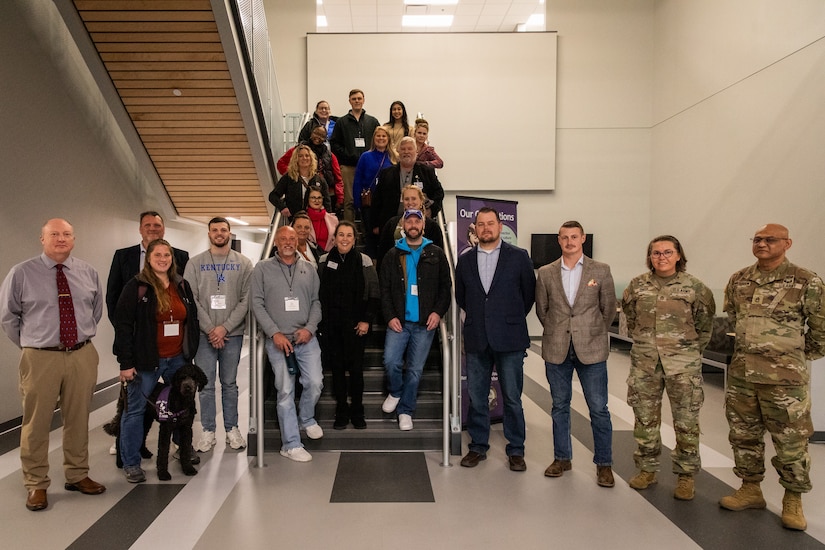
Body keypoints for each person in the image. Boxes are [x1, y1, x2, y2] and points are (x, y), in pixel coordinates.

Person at [718, 223, 825, 531]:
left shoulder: (806, 281)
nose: (762, 244)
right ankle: (750, 489)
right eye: (758, 239)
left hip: (785, 380)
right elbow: (734, 319)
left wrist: (793, 358)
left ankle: (793, 499)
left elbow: (820, 330)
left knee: (791, 441)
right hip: (743, 376)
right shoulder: (739, 279)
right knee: (744, 436)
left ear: (787, 243)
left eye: (770, 239)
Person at [0, 218, 106, 511]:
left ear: (73, 239)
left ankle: (77, 474)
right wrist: (33, 345)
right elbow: (9, 317)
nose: (61, 239)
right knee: (36, 422)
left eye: (67, 234)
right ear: (42, 239)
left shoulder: (87, 272)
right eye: (54, 234)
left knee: (78, 417)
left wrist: (77, 341)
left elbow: (95, 312)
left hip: (82, 354)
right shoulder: (21, 273)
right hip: (40, 356)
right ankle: (36, 483)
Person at [621, 235, 715, 500]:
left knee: (686, 423)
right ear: (649, 257)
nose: (661, 257)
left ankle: (686, 476)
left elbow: (704, 326)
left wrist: (686, 352)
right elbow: (631, 317)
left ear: (678, 255)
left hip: (682, 366)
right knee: (645, 420)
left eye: (666, 252)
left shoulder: (694, 287)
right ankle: (647, 469)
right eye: (655, 253)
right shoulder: (637, 285)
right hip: (645, 364)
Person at [535, 220, 617, 487]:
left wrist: (591, 332)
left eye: (574, 237)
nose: (569, 241)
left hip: (591, 349)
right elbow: (542, 309)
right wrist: (559, 330)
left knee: (598, 408)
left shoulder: (600, 270)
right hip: (557, 347)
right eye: (564, 237)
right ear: (559, 241)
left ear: (582, 239)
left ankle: (604, 464)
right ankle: (562, 458)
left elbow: (609, 309)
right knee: (560, 406)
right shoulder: (546, 272)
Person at [455, 208, 536, 472]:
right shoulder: (465, 261)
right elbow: (462, 297)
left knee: (512, 397)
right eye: (481, 224)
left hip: (510, 338)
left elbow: (528, 296)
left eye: (491, 223)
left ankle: (516, 449)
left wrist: (506, 319)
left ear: (500, 226)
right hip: (477, 337)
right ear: (475, 229)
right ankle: (478, 445)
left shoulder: (519, 257)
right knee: (477, 397)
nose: (486, 228)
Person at [113, 239, 199, 483]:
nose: (163, 259)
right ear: (148, 258)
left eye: (167, 255)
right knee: (136, 410)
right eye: (158, 255)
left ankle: (183, 447)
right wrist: (125, 362)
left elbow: (190, 319)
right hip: (146, 361)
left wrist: (190, 349)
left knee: (184, 407)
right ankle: (131, 462)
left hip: (177, 359)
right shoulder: (137, 286)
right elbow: (124, 325)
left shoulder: (181, 285)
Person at [251, 226, 324, 462]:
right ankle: (290, 444)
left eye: (292, 238)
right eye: (283, 238)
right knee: (284, 391)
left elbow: (316, 303)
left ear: (298, 240)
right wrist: (274, 334)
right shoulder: (262, 268)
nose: (288, 242)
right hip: (278, 341)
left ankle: (306, 418)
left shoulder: (309, 269)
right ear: (276, 242)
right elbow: (257, 304)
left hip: (305, 338)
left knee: (315, 382)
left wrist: (309, 329)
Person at [184, 218, 253, 454]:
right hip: (204, 336)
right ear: (209, 233)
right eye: (215, 230)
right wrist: (211, 329)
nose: (219, 233)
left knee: (230, 384)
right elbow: (190, 300)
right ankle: (208, 431)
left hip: (232, 335)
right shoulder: (195, 264)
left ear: (230, 233)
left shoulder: (244, 263)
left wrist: (224, 328)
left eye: (223, 230)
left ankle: (232, 429)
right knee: (205, 385)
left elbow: (247, 299)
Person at [379, 209, 451, 431]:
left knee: (415, 370)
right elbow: (385, 289)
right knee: (391, 362)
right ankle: (396, 392)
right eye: (408, 221)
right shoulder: (392, 254)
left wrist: (438, 312)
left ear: (423, 226)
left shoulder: (436, 253)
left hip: (424, 324)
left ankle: (406, 411)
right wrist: (390, 316)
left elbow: (445, 288)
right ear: (403, 226)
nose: (412, 225)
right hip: (398, 322)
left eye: (416, 221)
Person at [318, 221, 380, 429]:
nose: (344, 239)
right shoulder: (324, 261)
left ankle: (357, 411)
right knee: (336, 371)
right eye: (341, 235)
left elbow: (374, 293)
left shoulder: (364, 261)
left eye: (349, 235)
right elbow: (318, 295)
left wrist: (366, 320)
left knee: (355, 371)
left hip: (357, 326)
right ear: (334, 238)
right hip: (332, 327)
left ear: (355, 239)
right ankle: (341, 412)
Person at [106, 211, 189, 325]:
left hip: (170, 322)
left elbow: (186, 294)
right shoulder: (122, 256)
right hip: (135, 326)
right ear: (140, 229)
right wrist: (119, 325)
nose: (152, 228)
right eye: (147, 225)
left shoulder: (181, 257)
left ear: (164, 229)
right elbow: (113, 294)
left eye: (157, 225)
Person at [371, 136, 445, 236]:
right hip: (391, 225)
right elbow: (377, 200)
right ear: (398, 152)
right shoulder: (386, 173)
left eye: (410, 149)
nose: (406, 152)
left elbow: (439, 193)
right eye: (403, 149)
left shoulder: (427, 171)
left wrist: (432, 210)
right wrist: (375, 224)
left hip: (420, 225)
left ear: (416, 152)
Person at [329, 89, 380, 222]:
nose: (357, 101)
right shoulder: (342, 122)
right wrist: (347, 155)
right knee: (349, 201)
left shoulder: (372, 122)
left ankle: (366, 231)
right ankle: (349, 233)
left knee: (368, 199)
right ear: (349, 101)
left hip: (368, 167)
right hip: (348, 167)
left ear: (363, 100)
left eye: (359, 98)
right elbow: (334, 143)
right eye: (354, 99)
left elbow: (380, 140)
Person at [277, 126, 344, 212]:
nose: (318, 137)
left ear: (325, 139)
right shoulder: (298, 150)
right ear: (311, 133)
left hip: (325, 195)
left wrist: (340, 197)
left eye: (321, 135)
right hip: (300, 195)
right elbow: (281, 163)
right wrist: (294, 175)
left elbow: (338, 178)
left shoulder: (330, 156)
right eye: (316, 133)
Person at [353, 126, 396, 256]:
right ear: (373, 138)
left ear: (388, 139)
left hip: (388, 204)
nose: (381, 138)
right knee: (371, 235)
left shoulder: (394, 158)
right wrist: (357, 204)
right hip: (370, 204)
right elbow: (358, 180)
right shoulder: (365, 156)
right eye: (378, 136)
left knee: (388, 235)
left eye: (384, 136)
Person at [376, 185, 443, 269]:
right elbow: (383, 253)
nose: (410, 202)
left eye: (414, 198)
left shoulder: (433, 226)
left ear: (421, 200)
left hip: (425, 272)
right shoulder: (391, 224)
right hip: (396, 270)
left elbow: (440, 256)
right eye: (407, 199)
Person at [268, 145, 332, 220]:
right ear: (296, 159)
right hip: (295, 220)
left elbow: (327, 202)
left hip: (316, 221)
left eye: (307, 155)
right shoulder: (288, 178)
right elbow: (273, 196)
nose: (304, 158)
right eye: (300, 156)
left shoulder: (319, 180)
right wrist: (283, 207)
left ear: (311, 158)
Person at [304, 188, 338, 253]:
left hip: (329, 256)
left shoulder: (333, 219)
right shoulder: (300, 219)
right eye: (313, 197)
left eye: (319, 198)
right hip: (309, 257)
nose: (316, 200)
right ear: (308, 200)